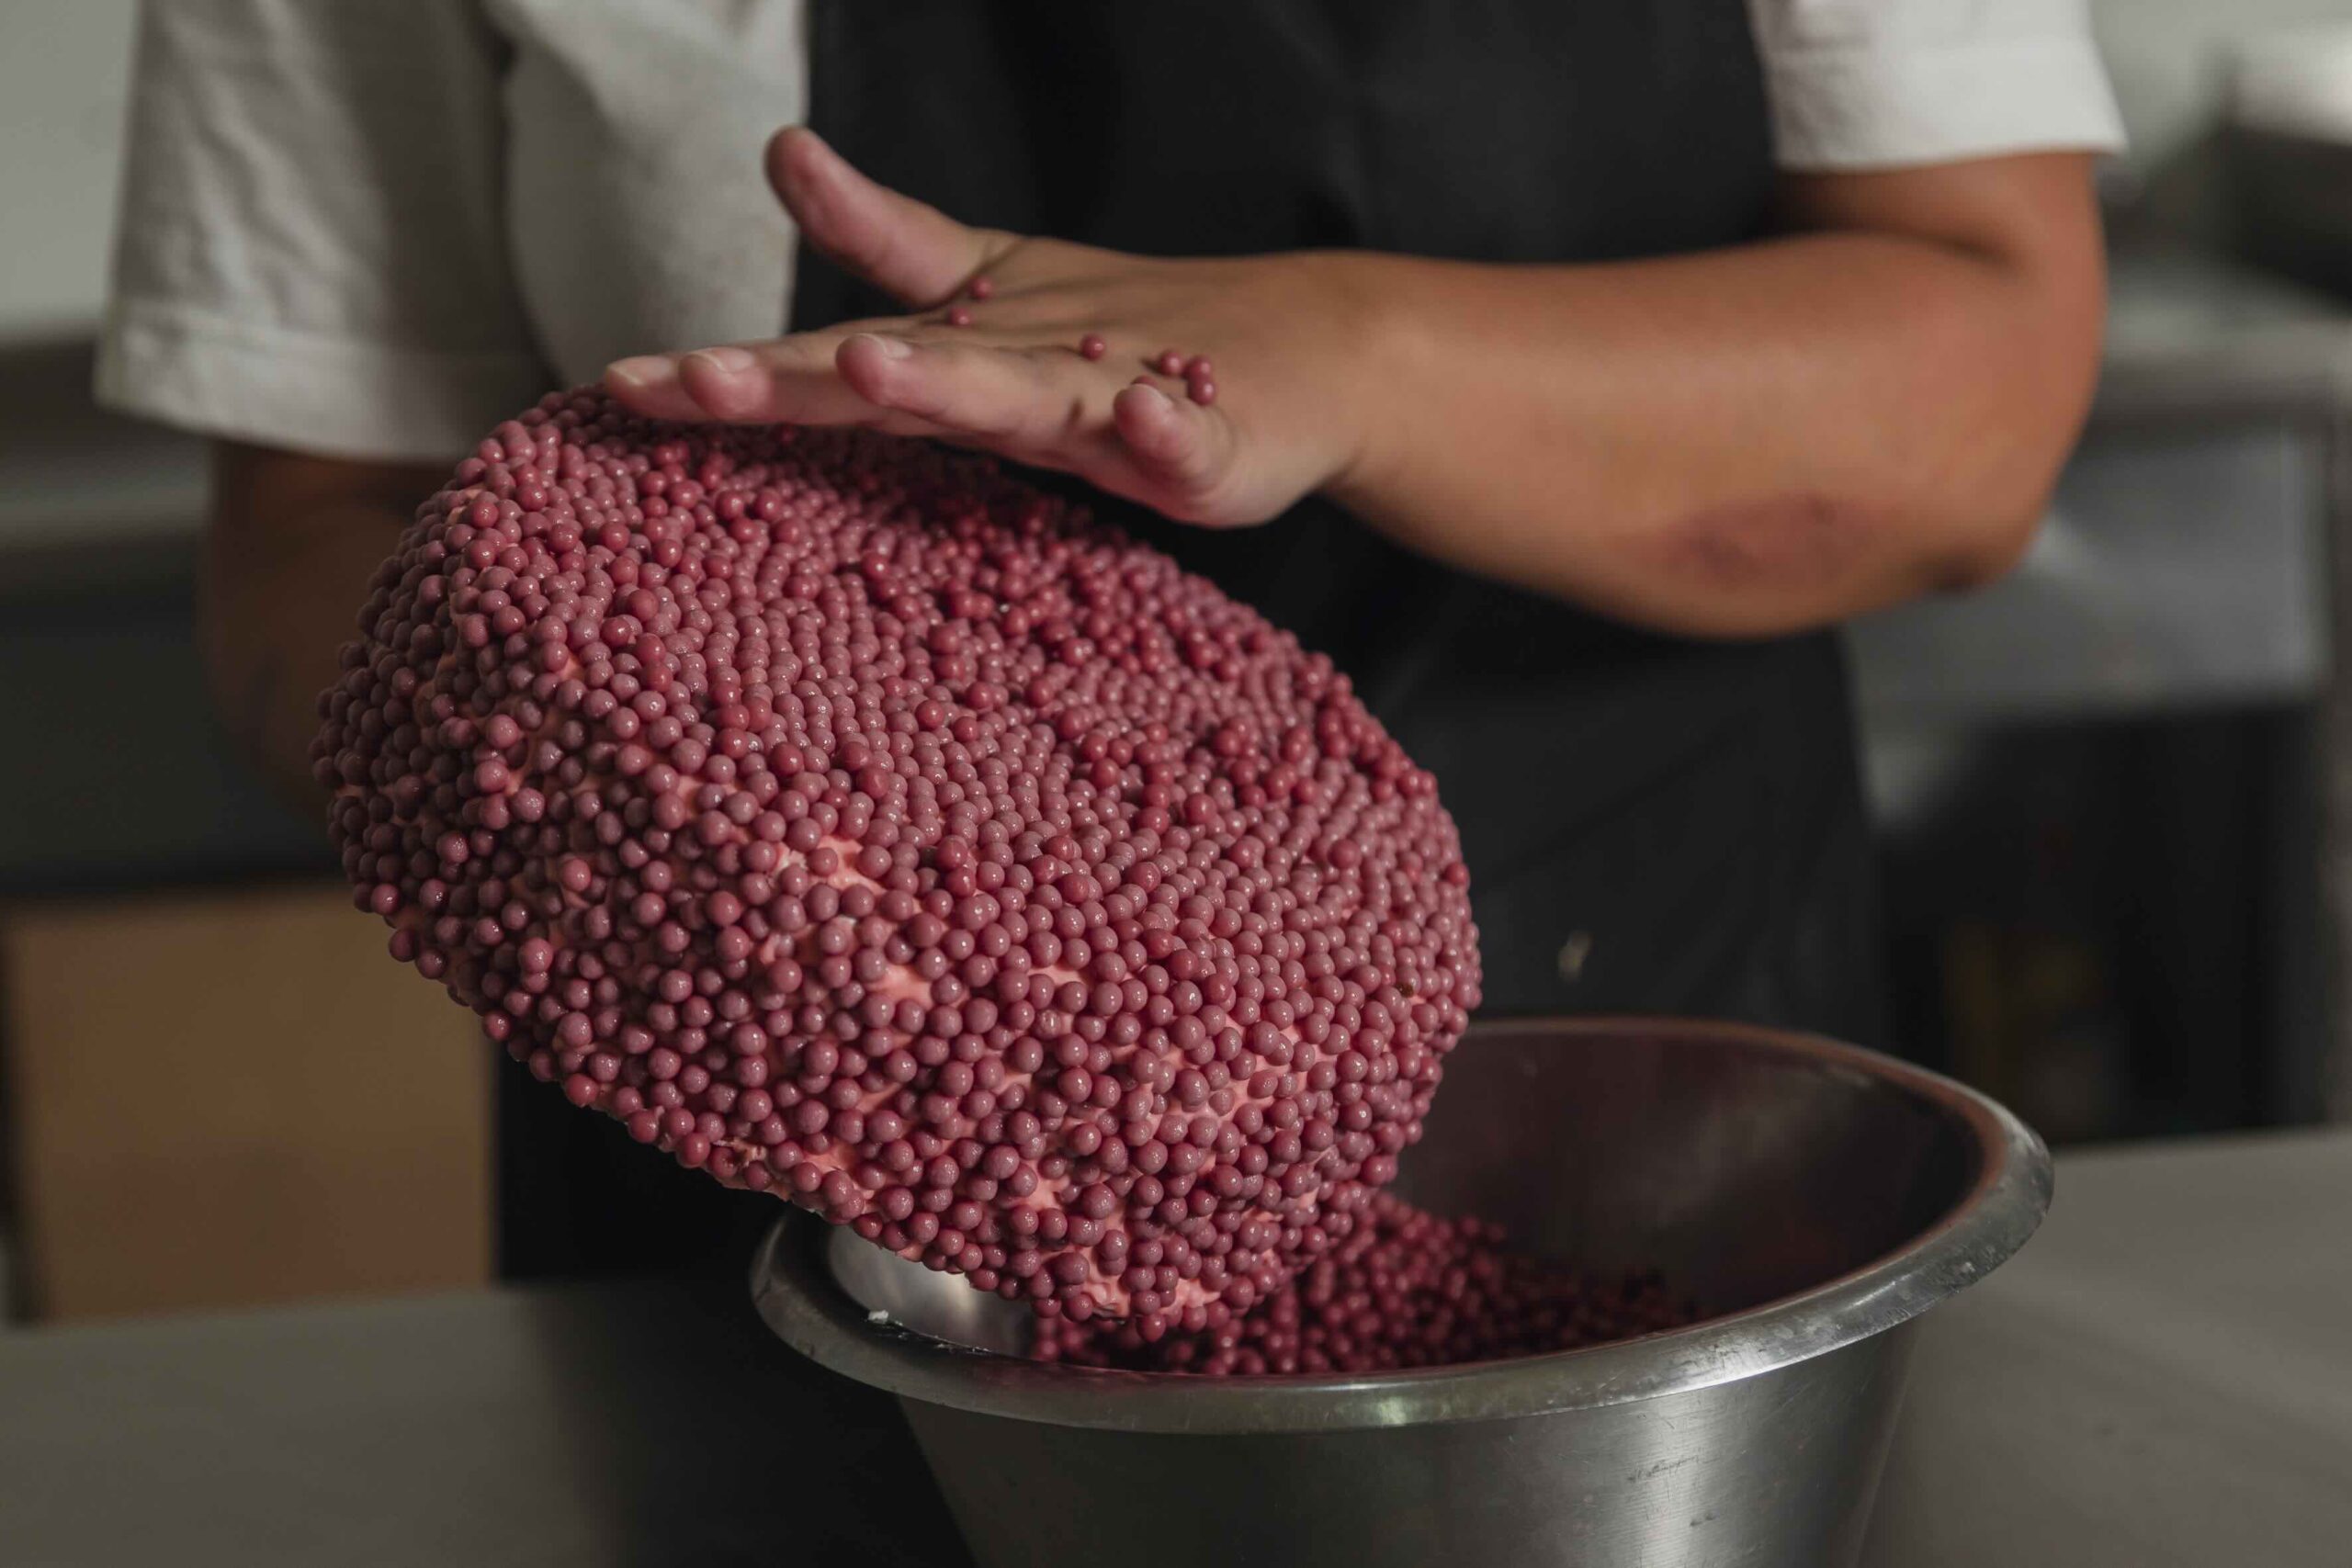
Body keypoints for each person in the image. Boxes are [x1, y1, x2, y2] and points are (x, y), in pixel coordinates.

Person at [98, 1, 2122, 1279]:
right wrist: (597, 760)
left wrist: (1356, 359)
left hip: (1637, 1158)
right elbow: (310, 525)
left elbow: (1980, 388)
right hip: (765, 1242)